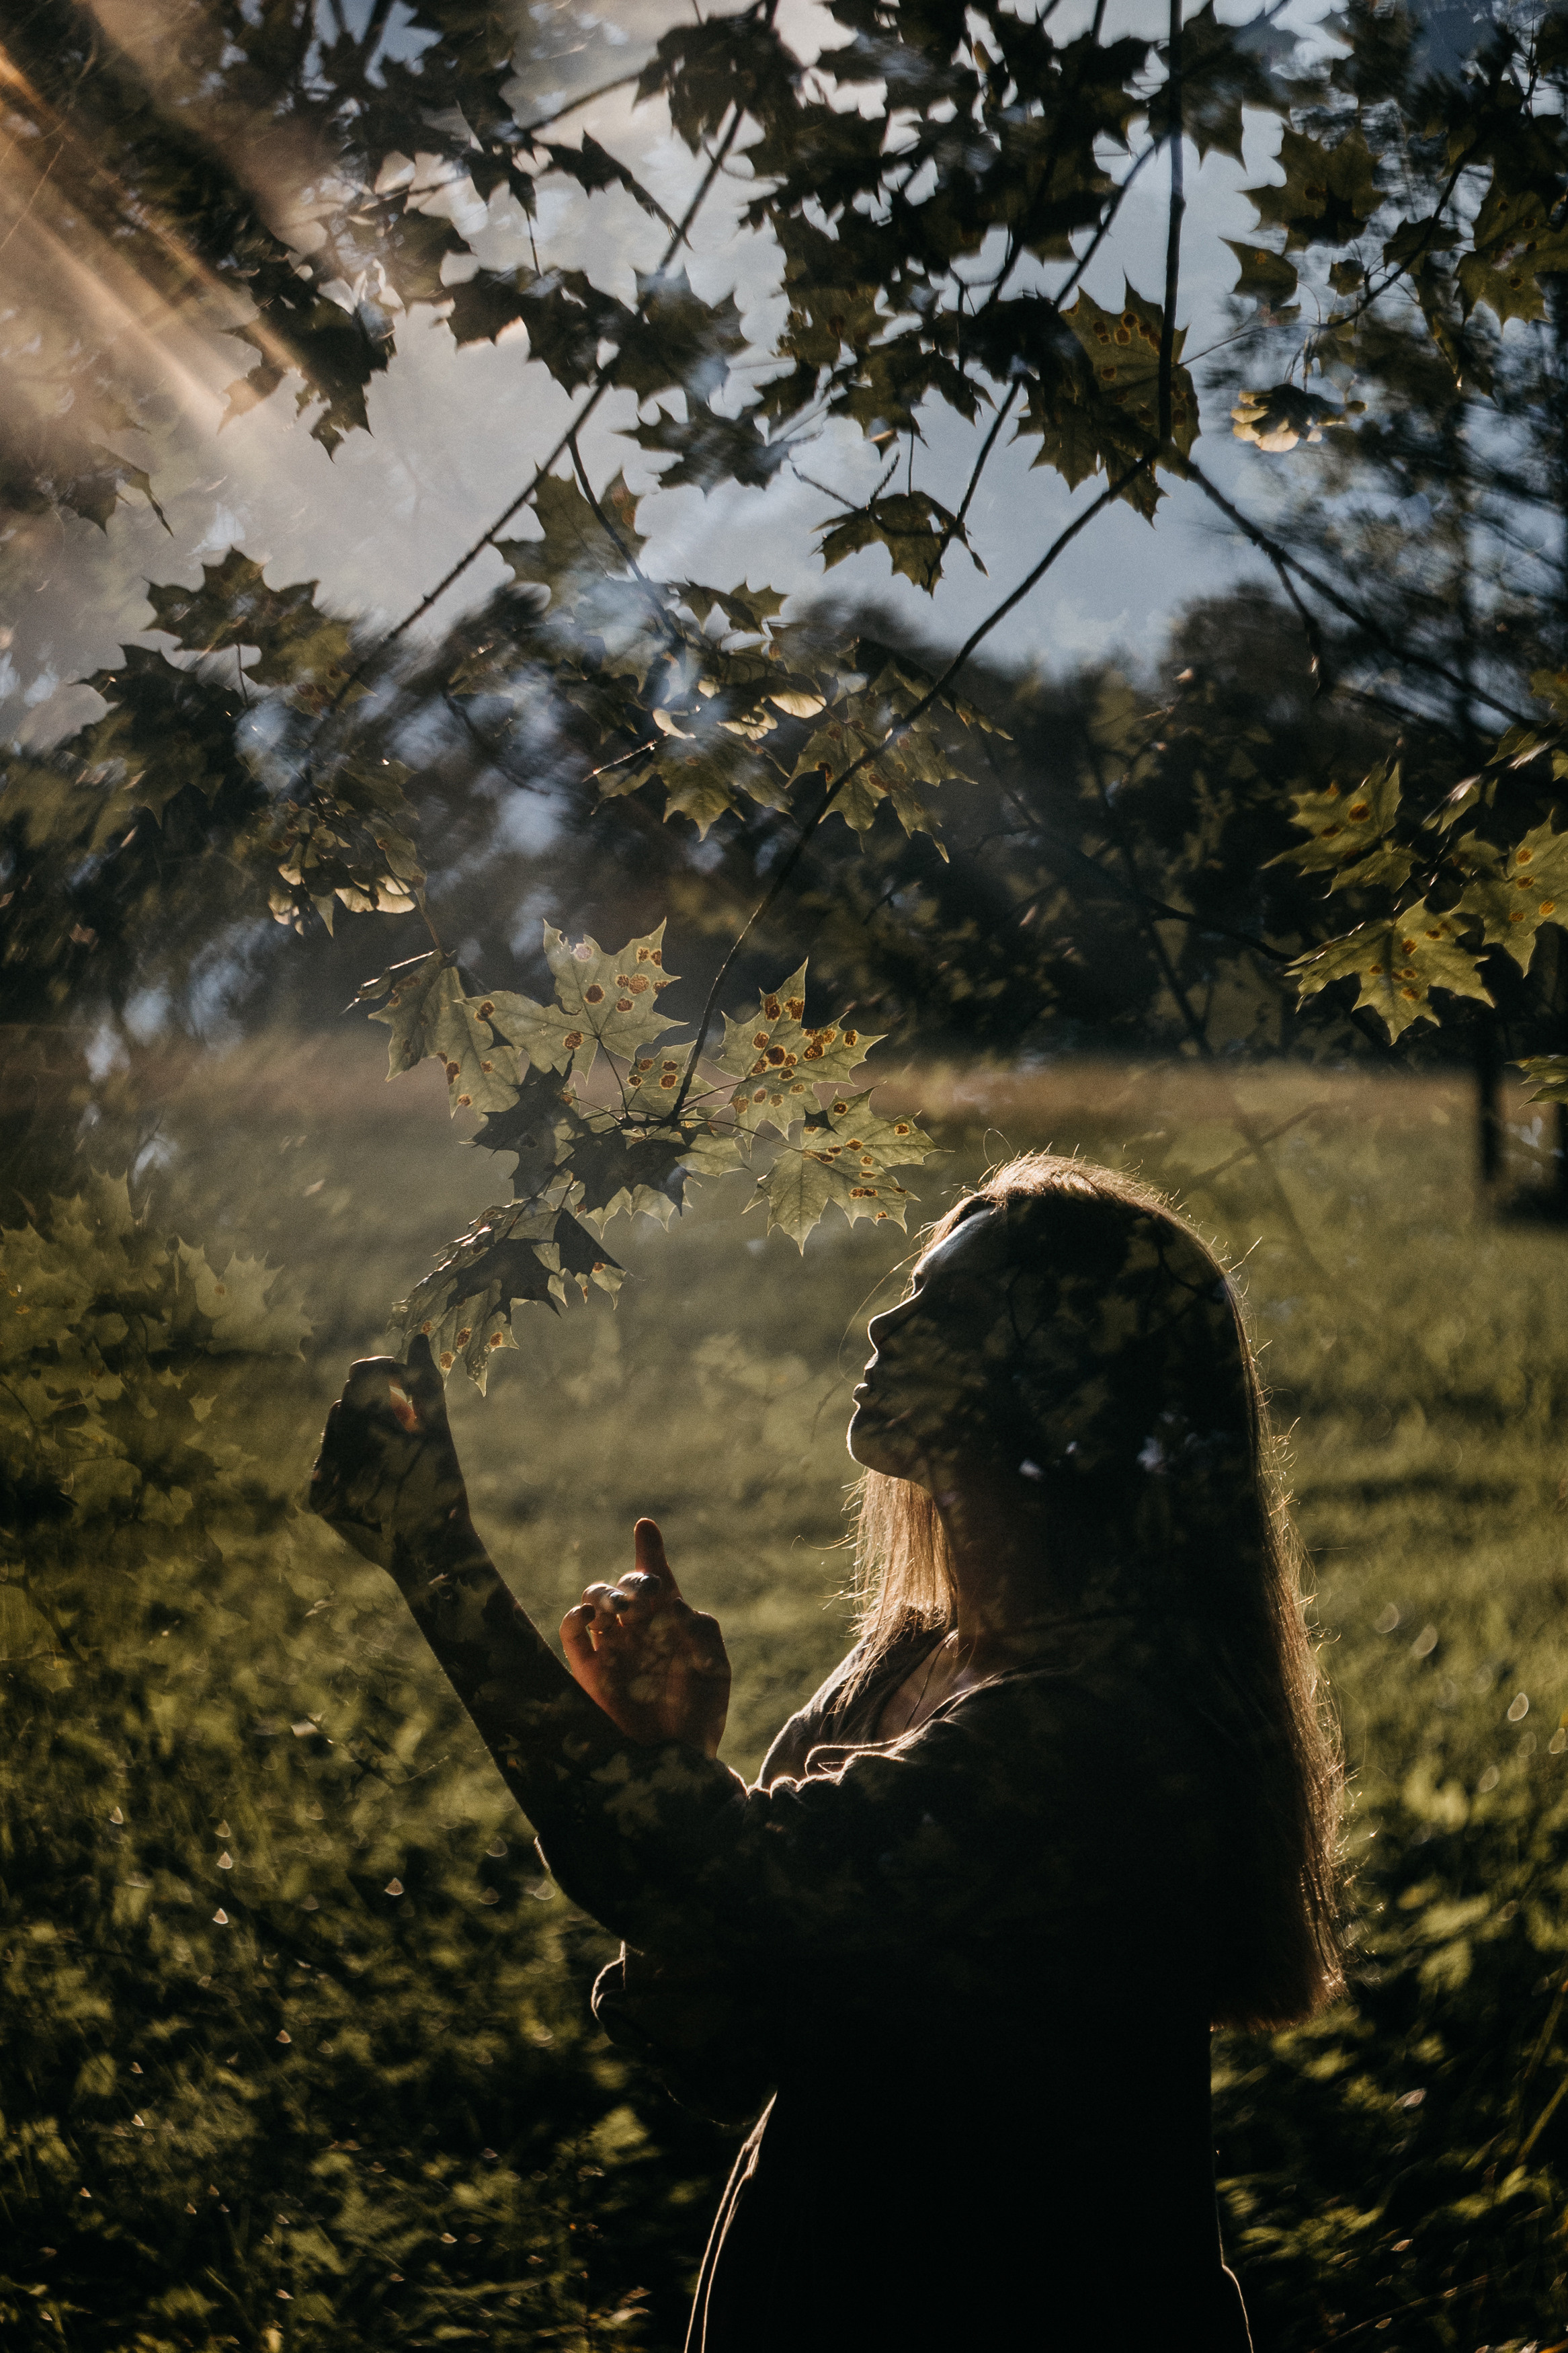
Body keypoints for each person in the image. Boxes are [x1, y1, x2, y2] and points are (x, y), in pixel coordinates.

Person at [308, 1152, 1344, 2350]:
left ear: (1068, 1382)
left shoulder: (1096, 1736)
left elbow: (681, 1875)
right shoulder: (895, 1669)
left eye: (952, 1306)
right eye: (911, 1291)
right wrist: (669, 1759)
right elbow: (727, 2040)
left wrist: (439, 1561)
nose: (885, 1323)